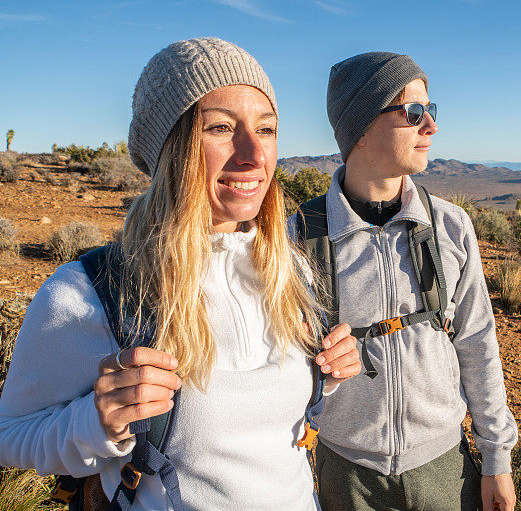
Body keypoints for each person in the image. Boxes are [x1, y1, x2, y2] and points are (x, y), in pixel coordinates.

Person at [0, 37, 360, 510]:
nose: (253, 152)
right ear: (171, 148)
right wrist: (97, 421)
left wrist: (326, 374)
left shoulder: (288, 269)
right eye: (221, 128)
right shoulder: (92, 291)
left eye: (267, 129)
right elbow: (11, 436)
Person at [294, 52, 518, 511]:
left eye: (431, 110)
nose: (430, 127)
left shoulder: (449, 227)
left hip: (444, 468)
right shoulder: (298, 238)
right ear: (359, 129)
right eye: (413, 113)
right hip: (346, 474)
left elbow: (478, 345)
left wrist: (497, 459)